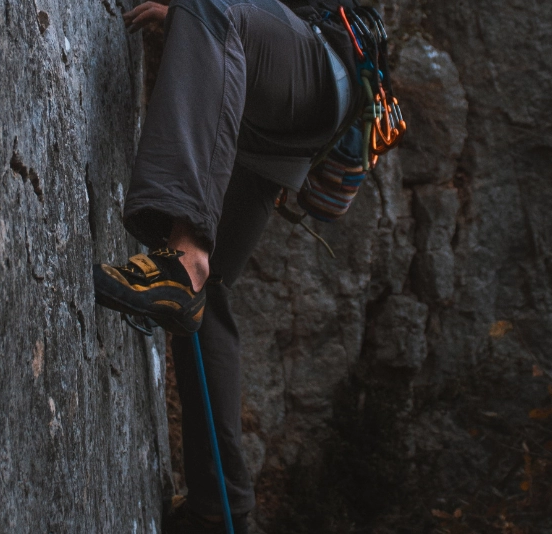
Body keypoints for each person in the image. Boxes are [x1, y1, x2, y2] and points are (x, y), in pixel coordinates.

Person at [93, 1, 357, 532]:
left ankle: (185, 255)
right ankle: (219, 504)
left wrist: (192, 19)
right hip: (272, 129)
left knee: (211, 6)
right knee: (205, 299)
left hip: (313, 72)